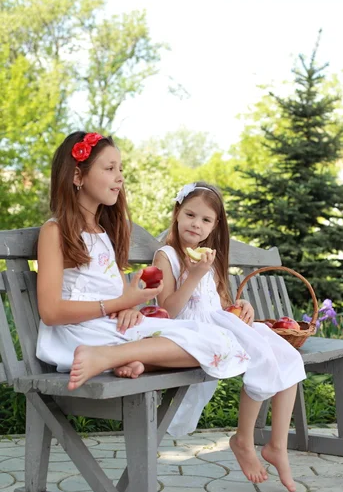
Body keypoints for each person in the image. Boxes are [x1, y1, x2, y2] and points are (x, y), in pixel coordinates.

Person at [36, 132, 255, 411]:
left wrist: (127, 306)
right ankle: (109, 358)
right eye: (110, 168)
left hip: (108, 330)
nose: (119, 177)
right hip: (79, 336)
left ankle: (126, 360)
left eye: (121, 169)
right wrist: (120, 303)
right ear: (78, 176)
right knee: (215, 342)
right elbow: (51, 312)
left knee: (221, 339)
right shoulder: (55, 231)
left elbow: (111, 296)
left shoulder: (105, 233)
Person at [153, 181, 307, 490]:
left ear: (214, 226)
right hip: (190, 332)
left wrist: (243, 305)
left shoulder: (209, 259)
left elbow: (222, 304)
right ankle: (244, 440)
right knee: (261, 356)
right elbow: (167, 311)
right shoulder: (166, 256)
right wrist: (193, 275)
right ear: (177, 214)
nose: (196, 224)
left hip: (220, 325)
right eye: (190, 215)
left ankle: (277, 446)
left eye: (206, 220)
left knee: (288, 357)